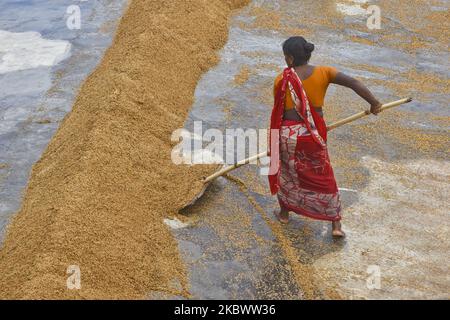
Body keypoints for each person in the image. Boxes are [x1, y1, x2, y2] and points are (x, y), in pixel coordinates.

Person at [269, 36, 382, 237]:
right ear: (308, 54)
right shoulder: (325, 72)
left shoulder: (281, 79)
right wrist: (374, 103)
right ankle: (336, 225)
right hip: (312, 136)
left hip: (288, 136)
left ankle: (285, 214)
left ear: (289, 58)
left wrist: (273, 142)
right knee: (323, 175)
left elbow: (279, 112)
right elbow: (354, 83)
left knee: (287, 174)